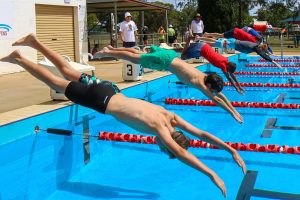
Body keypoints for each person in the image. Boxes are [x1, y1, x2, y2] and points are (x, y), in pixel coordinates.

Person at [1, 34, 246, 197]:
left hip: (110, 89)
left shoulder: (169, 117)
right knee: (55, 80)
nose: (161, 146)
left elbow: (201, 133)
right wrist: (211, 173)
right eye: (165, 147)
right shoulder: (159, 130)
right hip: (100, 100)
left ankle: (34, 43)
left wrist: (230, 149)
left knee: (67, 69)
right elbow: (182, 153)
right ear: (168, 144)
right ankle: (20, 59)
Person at [96, 45, 243, 123]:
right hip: (165, 61)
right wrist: (232, 113)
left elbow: (220, 95)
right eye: (213, 90)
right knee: (135, 58)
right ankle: (107, 53)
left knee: (138, 52)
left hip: (171, 55)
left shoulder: (205, 76)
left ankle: (111, 49)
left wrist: (235, 110)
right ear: (209, 86)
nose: (213, 92)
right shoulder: (201, 84)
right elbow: (216, 99)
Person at [181, 36, 245, 94]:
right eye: (228, 70)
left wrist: (239, 86)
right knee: (183, 56)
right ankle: (189, 39)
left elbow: (232, 75)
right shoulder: (223, 65)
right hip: (201, 49)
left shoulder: (226, 61)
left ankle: (189, 40)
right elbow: (229, 78)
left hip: (204, 46)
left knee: (185, 52)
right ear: (228, 67)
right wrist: (237, 88)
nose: (228, 72)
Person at [197, 37, 282, 69]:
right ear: (262, 48)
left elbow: (265, 52)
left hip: (233, 42)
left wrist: (272, 54)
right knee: (215, 43)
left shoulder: (257, 45)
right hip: (232, 43)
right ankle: (200, 39)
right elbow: (264, 55)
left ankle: (201, 39)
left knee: (215, 42)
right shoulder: (255, 47)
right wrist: (275, 63)